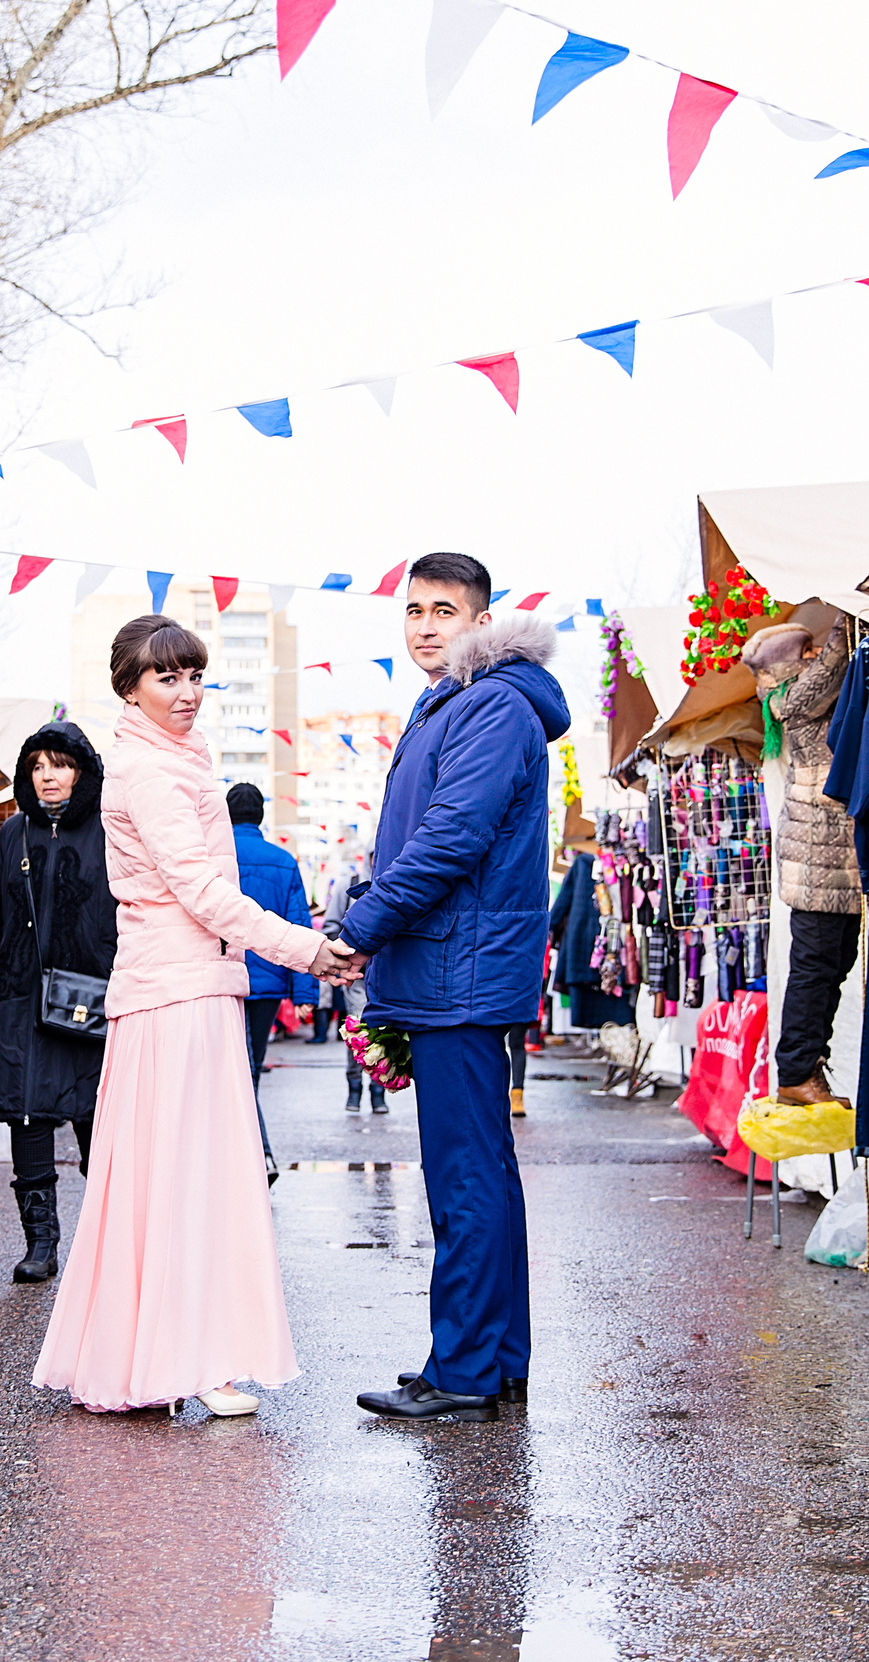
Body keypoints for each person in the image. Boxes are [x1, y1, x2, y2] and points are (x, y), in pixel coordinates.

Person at [32, 615, 350, 1418]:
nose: (188, 692)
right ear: (130, 685)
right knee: (187, 1175)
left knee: (172, 1176)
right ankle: (182, 1358)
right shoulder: (151, 770)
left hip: (181, 984)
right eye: (167, 677)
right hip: (177, 990)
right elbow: (202, 891)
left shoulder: (167, 759)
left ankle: (164, 1355)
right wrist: (305, 948)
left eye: (195, 675)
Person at [340, 553, 570, 1422]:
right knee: (483, 1172)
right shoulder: (457, 700)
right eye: (414, 609)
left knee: (465, 1178)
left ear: (482, 620)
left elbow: (447, 840)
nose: (426, 624)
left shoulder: (489, 705)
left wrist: (358, 927)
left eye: (445, 609)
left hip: (458, 973)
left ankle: (466, 1370)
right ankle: (494, 1357)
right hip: (454, 967)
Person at [0, 722, 117, 1285]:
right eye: (38, 766)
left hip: (91, 996)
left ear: (83, 771)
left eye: (61, 764)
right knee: (27, 1114)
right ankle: (41, 1243)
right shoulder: (13, 833)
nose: (48, 776)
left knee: (98, 1116)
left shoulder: (111, 829)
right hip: (20, 998)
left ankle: (108, 1244)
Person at [743, 619, 864, 1106]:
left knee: (836, 963)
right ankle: (796, 1071)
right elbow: (833, 664)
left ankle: (810, 1063)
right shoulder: (793, 698)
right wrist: (843, 622)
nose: (816, 655)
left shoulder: (795, 697)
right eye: (806, 650)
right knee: (815, 967)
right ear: (790, 664)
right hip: (817, 858)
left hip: (831, 857)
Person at [228, 781, 308, 1180]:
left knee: (231, 1070)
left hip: (226, 977)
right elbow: (299, 923)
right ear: (260, 815)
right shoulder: (283, 860)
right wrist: (305, 991)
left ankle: (255, 1155)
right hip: (269, 980)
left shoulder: (214, 857)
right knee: (251, 1068)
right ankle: (255, 1155)